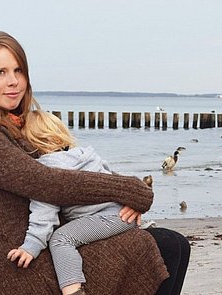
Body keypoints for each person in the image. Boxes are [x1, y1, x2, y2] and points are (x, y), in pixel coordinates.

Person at [0, 31, 190, 295]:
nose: (13, 81)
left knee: (172, 245)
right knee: (164, 247)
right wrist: (129, 189)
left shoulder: (1, 123)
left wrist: (119, 201)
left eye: (18, 70)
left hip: (37, 245)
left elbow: (63, 169)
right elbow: (46, 182)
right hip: (15, 265)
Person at [8, 110, 141, 295]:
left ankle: (73, 291)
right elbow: (111, 178)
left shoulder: (47, 169)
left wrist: (31, 246)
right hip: (122, 212)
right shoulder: (85, 154)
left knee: (61, 240)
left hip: (107, 218)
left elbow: (44, 213)